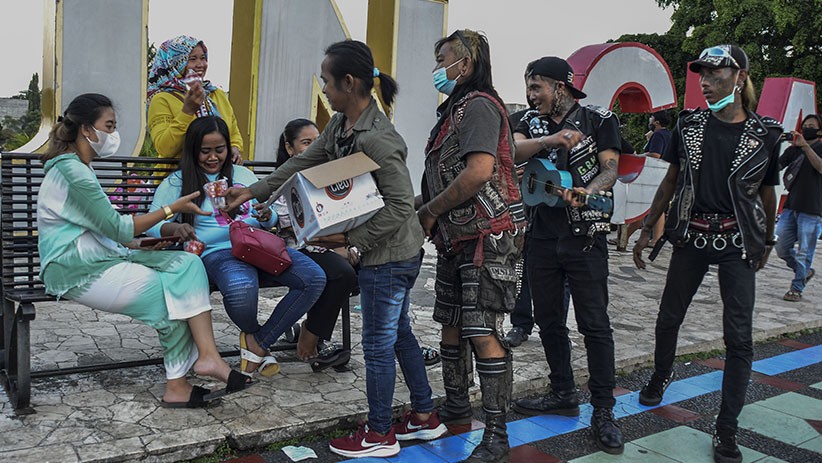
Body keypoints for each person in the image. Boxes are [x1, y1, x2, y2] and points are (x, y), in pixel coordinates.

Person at [221, 40, 445, 459]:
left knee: (378, 343)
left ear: (349, 82)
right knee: (398, 335)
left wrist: (353, 245)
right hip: (387, 251)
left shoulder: (379, 139)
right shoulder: (341, 126)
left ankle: (380, 434)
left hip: (389, 254)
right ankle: (424, 416)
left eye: (327, 80)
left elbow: (401, 204)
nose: (323, 88)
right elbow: (301, 165)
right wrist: (253, 192)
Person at [36, 94, 249, 408]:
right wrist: (170, 210)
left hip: (104, 257)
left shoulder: (77, 168)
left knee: (189, 264)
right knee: (171, 296)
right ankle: (177, 386)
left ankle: (209, 358)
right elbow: (118, 227)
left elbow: (104, 231)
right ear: (87, 130)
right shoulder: (73, 173)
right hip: (77, 270)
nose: (113, 134)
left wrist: (145, 241)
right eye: (109, 126)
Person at [632, 45, 782, 463]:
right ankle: (662, 374)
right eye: (702, 73)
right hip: (691, 238)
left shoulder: (766, 135)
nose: (705, 79)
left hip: (737, 243)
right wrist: (647, 228)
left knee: (739, 338)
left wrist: (766, 239)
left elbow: (767, 193)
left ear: (740, 76)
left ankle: (726, 427)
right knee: (668, 317)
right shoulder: (689, 126)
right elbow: (670, 182)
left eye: (716, 72)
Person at [147, 116, 327, 378]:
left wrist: (268, 216)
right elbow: (152, 224)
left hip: (259, 245)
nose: (213, 157)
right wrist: (176, 228)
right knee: (242, 288)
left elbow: (268, 216)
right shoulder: (177, 182)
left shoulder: (242, 175)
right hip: (219, 252)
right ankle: (257, 342)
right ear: (192, 149)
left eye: (219, 150)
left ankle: (258, 343)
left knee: (314, 278)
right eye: (205, 151)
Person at [418, 29, 525, 463]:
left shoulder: (478, 105)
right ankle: (457, 404)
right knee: (450, 320)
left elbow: (480, 170)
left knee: (481, 330)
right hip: (457, 236)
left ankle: (497, 435)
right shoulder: (455, 110)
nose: (436, 68)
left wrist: (429, 210)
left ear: (464, 63)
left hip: (488, 236)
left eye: (442, 58)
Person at [510, 56, 625, 455]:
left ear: (561, 86)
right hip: (542, 234)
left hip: (585, 236)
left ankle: (604, 411)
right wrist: (544, 144)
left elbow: (611, 167)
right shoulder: (532, 120)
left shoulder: (598, 119)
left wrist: (588, 190)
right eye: (528, 87)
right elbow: (512, 150)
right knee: (548, 320)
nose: (531, 95)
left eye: (537, 87)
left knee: (594, 324)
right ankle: (562, 391)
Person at [272, 117, 357, 370]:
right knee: (342, 273)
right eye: (305, 142)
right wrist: (336, 245)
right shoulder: (285, 177)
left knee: (373, 267)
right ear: (290, 148)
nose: (313, 148)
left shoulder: (325, 174)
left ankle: (390, 342)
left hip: (329, 245)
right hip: (297, 247)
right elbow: (292, 225)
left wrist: (346, 244)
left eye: (316, 142)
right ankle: (311, 334)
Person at [147, 35, 243, 165]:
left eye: (203, 58)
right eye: (192, 59)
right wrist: (187, 111)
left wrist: (235, 147)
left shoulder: (216, 94)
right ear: (174, 63)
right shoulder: (161, 99)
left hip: (220, 177)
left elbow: (234, 132)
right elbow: (165, 149)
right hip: (180, 179)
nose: (201, 65)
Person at [776, 114, 822, 302]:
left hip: (813, 209)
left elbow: (820, 167)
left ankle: (796, 288)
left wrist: (805, 147)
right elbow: (776, 166)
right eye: (804, 125)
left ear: (819, 131)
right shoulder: (794, 150)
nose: (806, 128)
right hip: (791, 206)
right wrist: (773, 144)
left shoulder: (818, 148)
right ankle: (803, 271)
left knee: (805, 251)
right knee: (781, 247)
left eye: (811, 126)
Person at [643, 109, 672, 245]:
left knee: (655, 206)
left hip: (656, 173)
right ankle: (654, 237)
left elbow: (655, 154)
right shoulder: (668, 135)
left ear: (657, 122)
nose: (650, 121)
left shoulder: (659, 135)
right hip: (666, 172)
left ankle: (656, 238)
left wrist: (640, 156)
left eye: (652, 118)